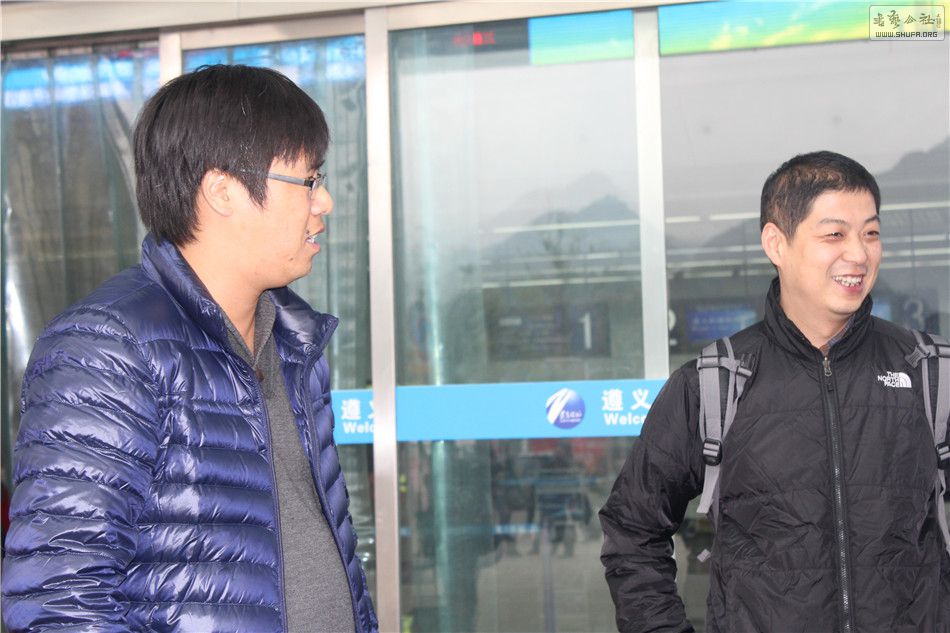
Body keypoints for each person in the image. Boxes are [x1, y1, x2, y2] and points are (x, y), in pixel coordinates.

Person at [2, 65, 378, 633]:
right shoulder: (110, 347)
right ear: (222, 191)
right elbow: (58, 600)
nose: (323, 201)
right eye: (308, 180)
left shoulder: (293, 342)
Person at [599, 151, 950, 633]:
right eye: (835, 234)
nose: (859, 253)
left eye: (871, 233)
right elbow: (632, 531)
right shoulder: (715, 382)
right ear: (776, 243)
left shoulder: (930, 372)